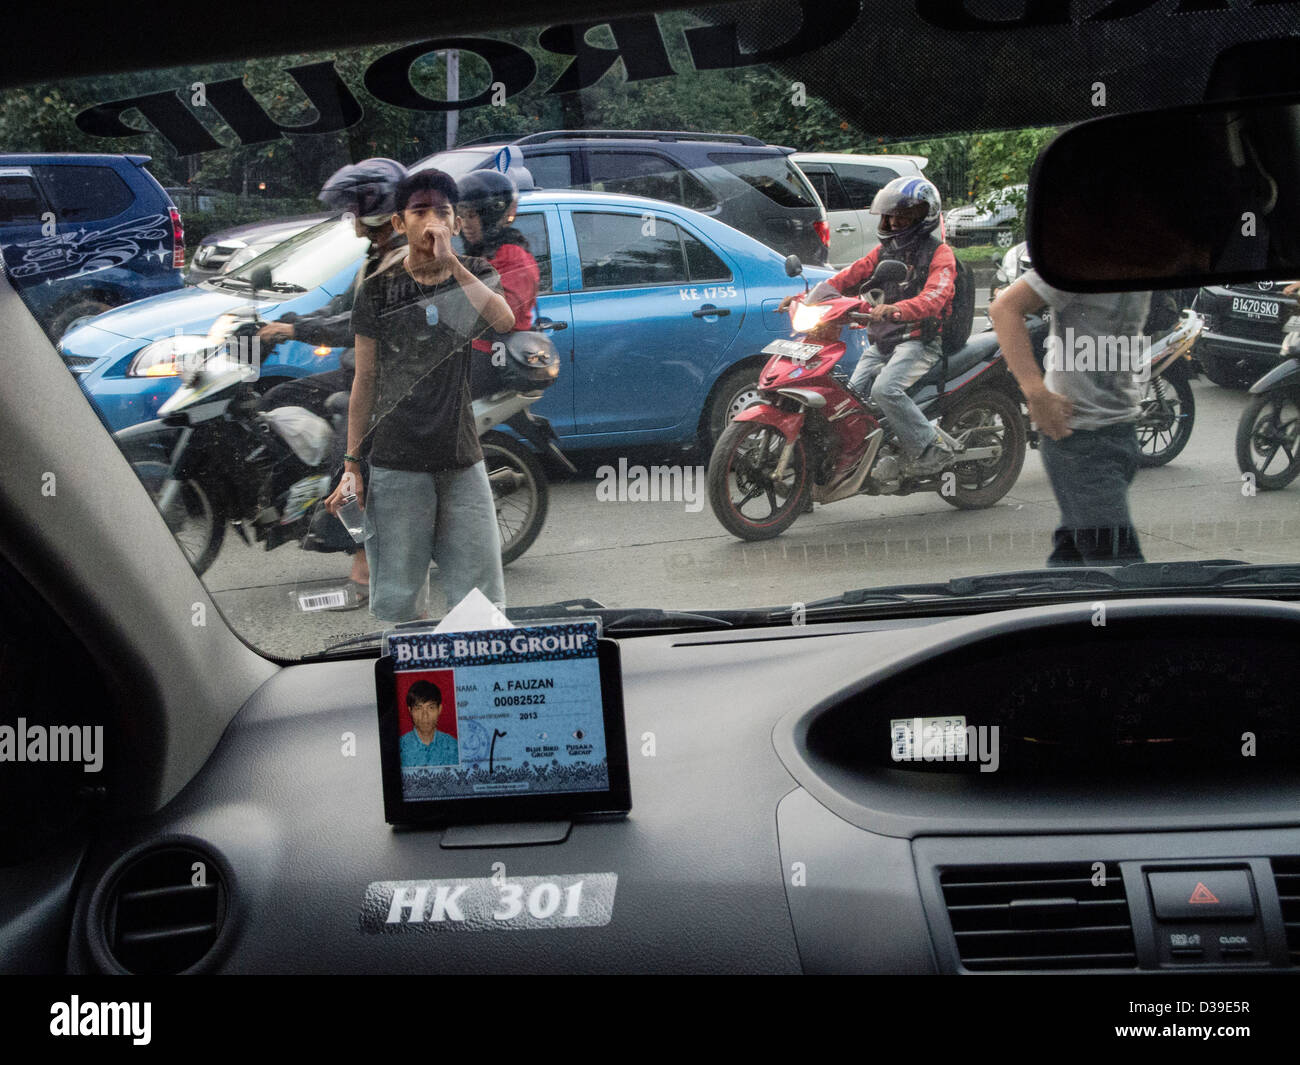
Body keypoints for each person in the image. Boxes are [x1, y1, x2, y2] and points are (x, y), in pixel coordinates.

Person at [323, 168, 516, 622]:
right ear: (398, 224)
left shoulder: (473, 274)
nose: (432, 221)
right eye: (420, 211)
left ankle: (478, 679)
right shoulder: (378, 290)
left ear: (454, 223)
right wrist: (353, 465)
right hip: (396, 462)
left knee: (480, 600)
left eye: (443, 213)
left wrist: (452, 263)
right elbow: (364, 380)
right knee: (400, 601)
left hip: (460, 455)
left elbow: (504, 321)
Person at [256, 157, 409, 606]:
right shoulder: (374, 257)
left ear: (379, 207)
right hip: (356, 368)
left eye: (359, 212)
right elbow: (336, 308)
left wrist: (296, 332)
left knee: (350, 462)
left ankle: (361, 561)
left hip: (385, 380)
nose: (355, 225)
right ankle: (297, 502)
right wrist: (284, 321)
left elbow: (357, 323)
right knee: (281, 395)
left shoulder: (402, 261)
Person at [779, 176, 958, 474]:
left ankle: (931, 449)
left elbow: (934, 298)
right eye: (890, 216)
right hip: (883, 341)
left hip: (919, 341)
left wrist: (895, 310)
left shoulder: (940, 254)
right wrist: (804, 298)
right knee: (846, 398)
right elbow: (844, 279)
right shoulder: (883, 252)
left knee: (884, 391)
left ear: (923, 217)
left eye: (903, 216)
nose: (894, 223)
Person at [990, 273, 1150, 566]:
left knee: (1072, 569)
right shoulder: (1080, 258)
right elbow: (1004, 309)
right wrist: (1036, 393)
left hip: (1121, 430)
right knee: (1124, 577)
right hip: (1079, 439)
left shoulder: (1147, 256)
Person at [399, 679, 460, 767]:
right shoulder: (400, 748)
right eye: (418, 708)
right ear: (410, 711)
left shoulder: (453, 746)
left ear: (439, 709)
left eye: (431, 708)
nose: (425, 716)